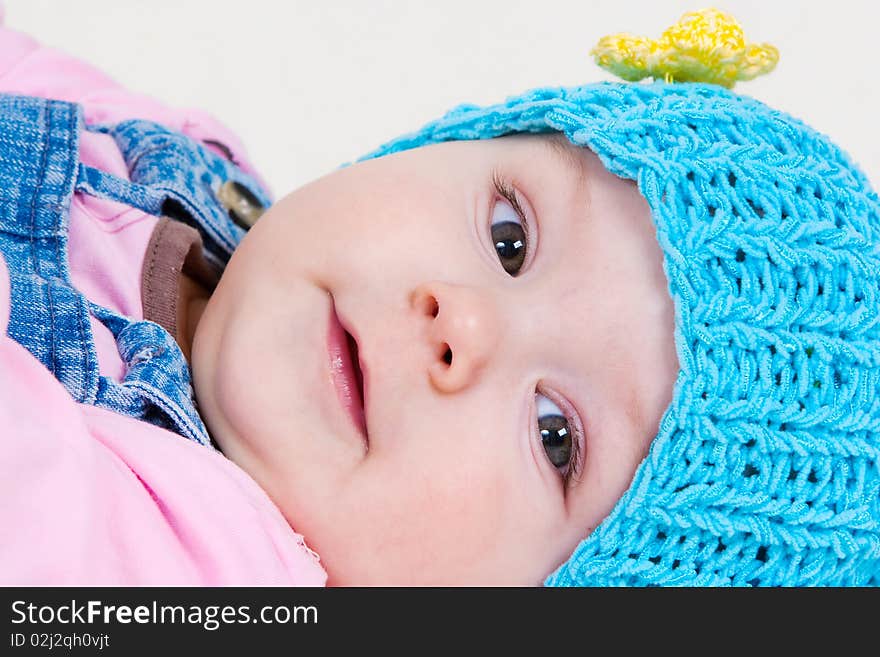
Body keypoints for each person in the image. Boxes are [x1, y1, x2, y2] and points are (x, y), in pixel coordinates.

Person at [1, 7, 877, 586]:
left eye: (556, 435)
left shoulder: (181, 574)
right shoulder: (201, 179)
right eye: (510, 238)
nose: (464, 322)